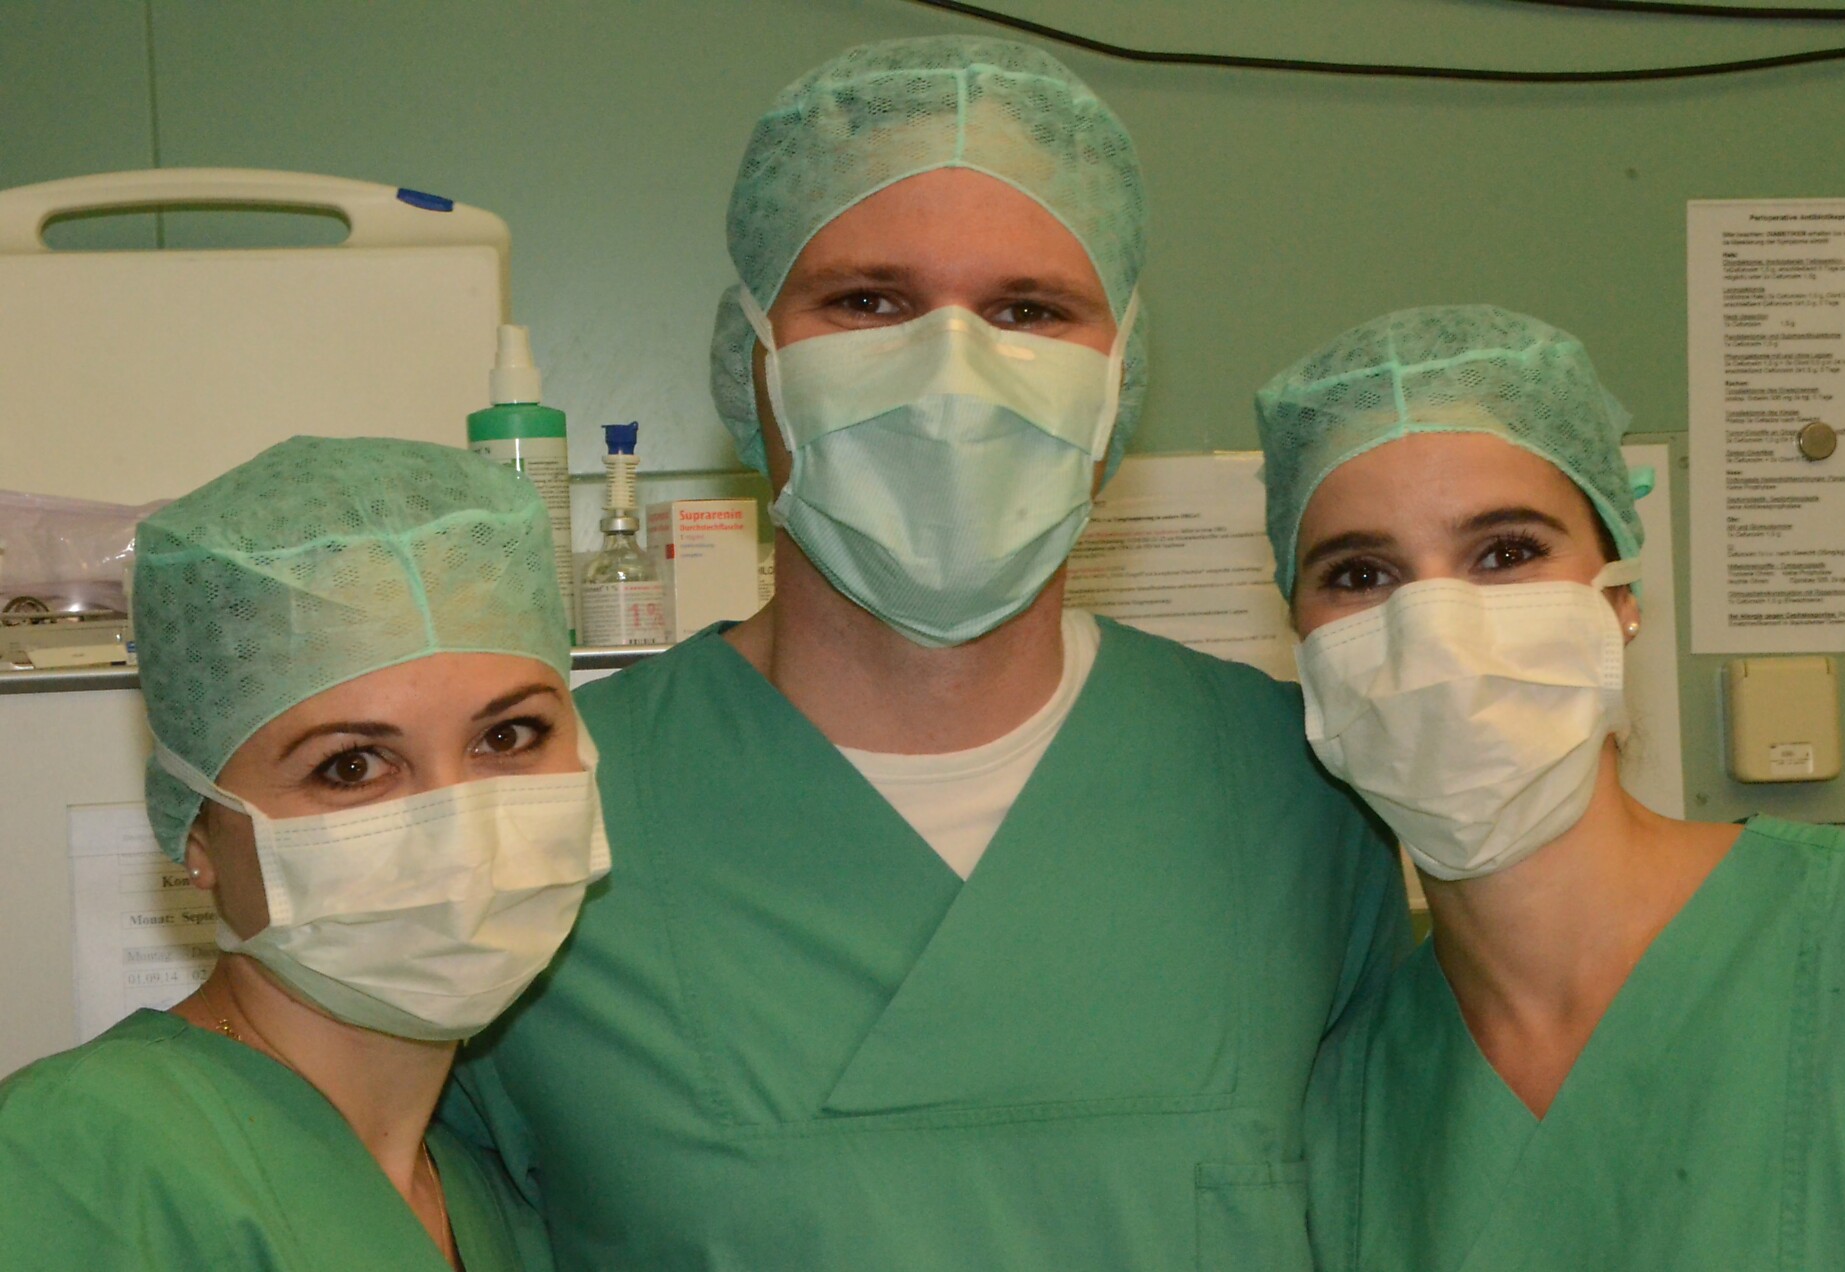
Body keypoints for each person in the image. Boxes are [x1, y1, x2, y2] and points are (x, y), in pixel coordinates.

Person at [448, 35, 1407, 1271]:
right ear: (754, 361)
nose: (953, 376)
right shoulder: (541, 816)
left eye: (1028, 311)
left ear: (1120, 376)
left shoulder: (1301, 798)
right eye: (870, 302)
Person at [1252, 304, 1845, 1271]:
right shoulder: (1340, 1109)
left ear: (1620, 598)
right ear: (1304, 646)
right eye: (1361, 574)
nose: (1435, 630)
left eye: (1506, 553)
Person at [0, 436, 609, 1269]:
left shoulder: (478, 1185)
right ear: (197, 832)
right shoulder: (78, 1159)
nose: (462, 833)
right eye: (352, 766)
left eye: (507, 736)